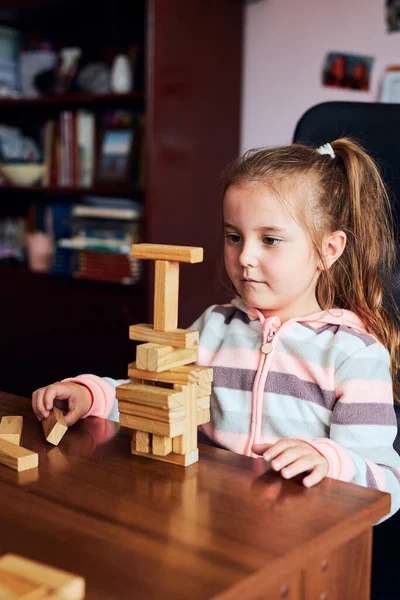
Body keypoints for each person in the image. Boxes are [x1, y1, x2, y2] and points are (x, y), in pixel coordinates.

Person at [32, 138, 400, 519]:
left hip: (298, 544)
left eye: (269, 240)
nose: (245, 257)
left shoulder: (353, 354)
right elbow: (160, 400)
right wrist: (93, 395)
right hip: (209, 523)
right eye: (234, 237)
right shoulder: (215, 326)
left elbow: (388, 486)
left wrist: (331, 461)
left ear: (329, 249)